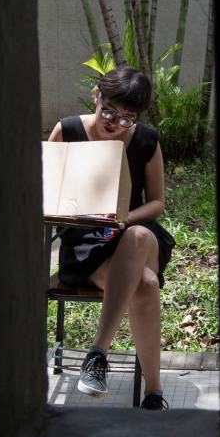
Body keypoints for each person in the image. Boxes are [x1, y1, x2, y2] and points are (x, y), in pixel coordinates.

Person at [48, 66, 175, 410]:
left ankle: (97, 352)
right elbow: (45, 191)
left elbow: (157, 202)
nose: (115, 123)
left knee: (135, 236)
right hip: (86, 243)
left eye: (126, 118)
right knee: (146, 285)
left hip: (134, 233)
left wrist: (124, 218)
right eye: (109, 111)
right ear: (97, 95)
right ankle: (154, 393)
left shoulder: (146, 140)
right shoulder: (69, 130)